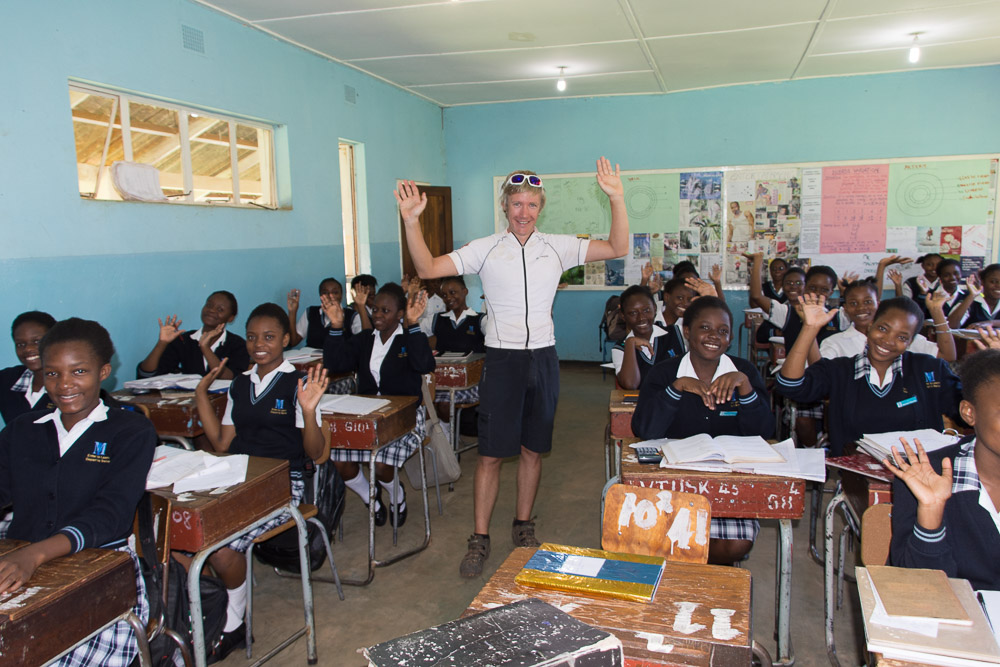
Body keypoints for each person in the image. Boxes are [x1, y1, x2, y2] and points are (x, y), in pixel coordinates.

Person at [397, 157, 629, 577]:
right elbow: (427, 268)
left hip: (543, 358)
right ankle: (479, 537)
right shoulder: (486, 249)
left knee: (532, 449)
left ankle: (523, 525)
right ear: (505, 207)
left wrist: (616, 198)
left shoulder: (557, 246)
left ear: (541, 208)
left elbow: (617, 247)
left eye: (532, 205)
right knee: (489, 455)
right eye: (517, 204)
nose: (524, 213)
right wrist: (412, 222)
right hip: (502, 359)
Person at [0, 317, 156, 665]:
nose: (64, 384)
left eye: (79, 372)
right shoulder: (22, 430)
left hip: (99, 571)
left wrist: (34, 556)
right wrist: (26, 556)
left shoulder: (129, 431)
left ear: (103, 372)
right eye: (53, 373)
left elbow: (110, 515)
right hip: (23, 562)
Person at [192, 302, 329, 662]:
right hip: (241, 478)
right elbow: (222, 444)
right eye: (252, 337)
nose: (258, 344)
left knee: (220, 548)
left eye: (269, 337)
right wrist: (201, 397)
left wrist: (311, 411)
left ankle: (235, 622)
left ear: (286, 339)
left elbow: (316, 453)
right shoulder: (239, 385)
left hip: (285, 484)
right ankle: (202, 612)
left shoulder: (300, 383)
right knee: (185, 539)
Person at [631, 297, 774, 564]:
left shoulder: (744, 372)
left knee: (733, 545)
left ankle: (697, 571)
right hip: (675, 482)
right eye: (704, 328)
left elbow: (764, 431)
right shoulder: (664, 373)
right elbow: (644, 429)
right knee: (652, 537)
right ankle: (691, 574)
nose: (714, 337)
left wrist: (745, 389)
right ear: (687, 332)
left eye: (723, 331)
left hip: (728, 482)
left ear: (730, 338)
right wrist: (676, 389)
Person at [775, 294, 962, 457]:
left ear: (911, 342)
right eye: (883, 329)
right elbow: (790, 386)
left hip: (918, 479)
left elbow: (965, 410)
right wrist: (810, 328)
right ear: (871, 326)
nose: (888, 341)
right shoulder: (840, 370)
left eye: (902, 337)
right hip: (857, 481)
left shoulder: (929, 369)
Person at [882, 348, 998, 591]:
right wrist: (931, 514)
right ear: (969, 413)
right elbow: (918, 589)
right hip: (961, 620)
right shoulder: (925, 477)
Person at [323, 283, 435, 528]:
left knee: (383, 464)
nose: (378, 315)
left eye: (386, 311)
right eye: (375, 310)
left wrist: (414, 324)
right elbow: (335, 363)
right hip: (367, 416)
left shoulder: (408, 338)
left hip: (404, 418)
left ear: (399, 314)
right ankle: (370, 498)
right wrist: (335, 326)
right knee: (338, 460)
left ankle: (397, 495)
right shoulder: (364, 339)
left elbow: (425, 365)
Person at [820, 280, 955, 362]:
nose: (861, 308)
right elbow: (820, 373)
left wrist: (937, 311)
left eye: (868, 302)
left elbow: (948, 355)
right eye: (853, 303)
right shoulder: (835, 342)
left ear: (878, 304)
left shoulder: (901, 337)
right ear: (845, 309)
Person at [136, 290, 249, 380]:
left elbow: (230, 377)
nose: (211, 310)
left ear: (231, 318)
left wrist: (205, 348)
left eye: (220, 309)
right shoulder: (183, 340)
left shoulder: (238, 345)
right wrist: (161, 343)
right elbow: (146, 375)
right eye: (209, 305)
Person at [612, 285, 681, 390]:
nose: (641, 318)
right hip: (643, 405)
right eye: (633, 313)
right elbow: (630, 384)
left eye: (646, 310)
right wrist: (630, 343)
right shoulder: (620, 348)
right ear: (623, 316)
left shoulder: (677, 333)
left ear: (654, 308)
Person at [0, 310, 56, 424]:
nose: (28, 349)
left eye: (37, 341)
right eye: (20, 344)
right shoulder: (7, 380)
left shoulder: (70, 383)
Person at [286, 277, 343, 348]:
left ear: (341, 295)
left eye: (335, 292)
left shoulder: (352, 316)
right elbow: (293, 342)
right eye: (325, 292)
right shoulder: (310, 312)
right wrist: (292, 312)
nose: (330, 296)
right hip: (313, 358)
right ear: (320, 295)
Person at [948, 263, 1000, 329]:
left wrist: (991, 322)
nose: (998, 286)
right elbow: (949, 327)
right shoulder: (969, 303)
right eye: (993, 281)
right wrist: (972, 296)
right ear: (982, 282)